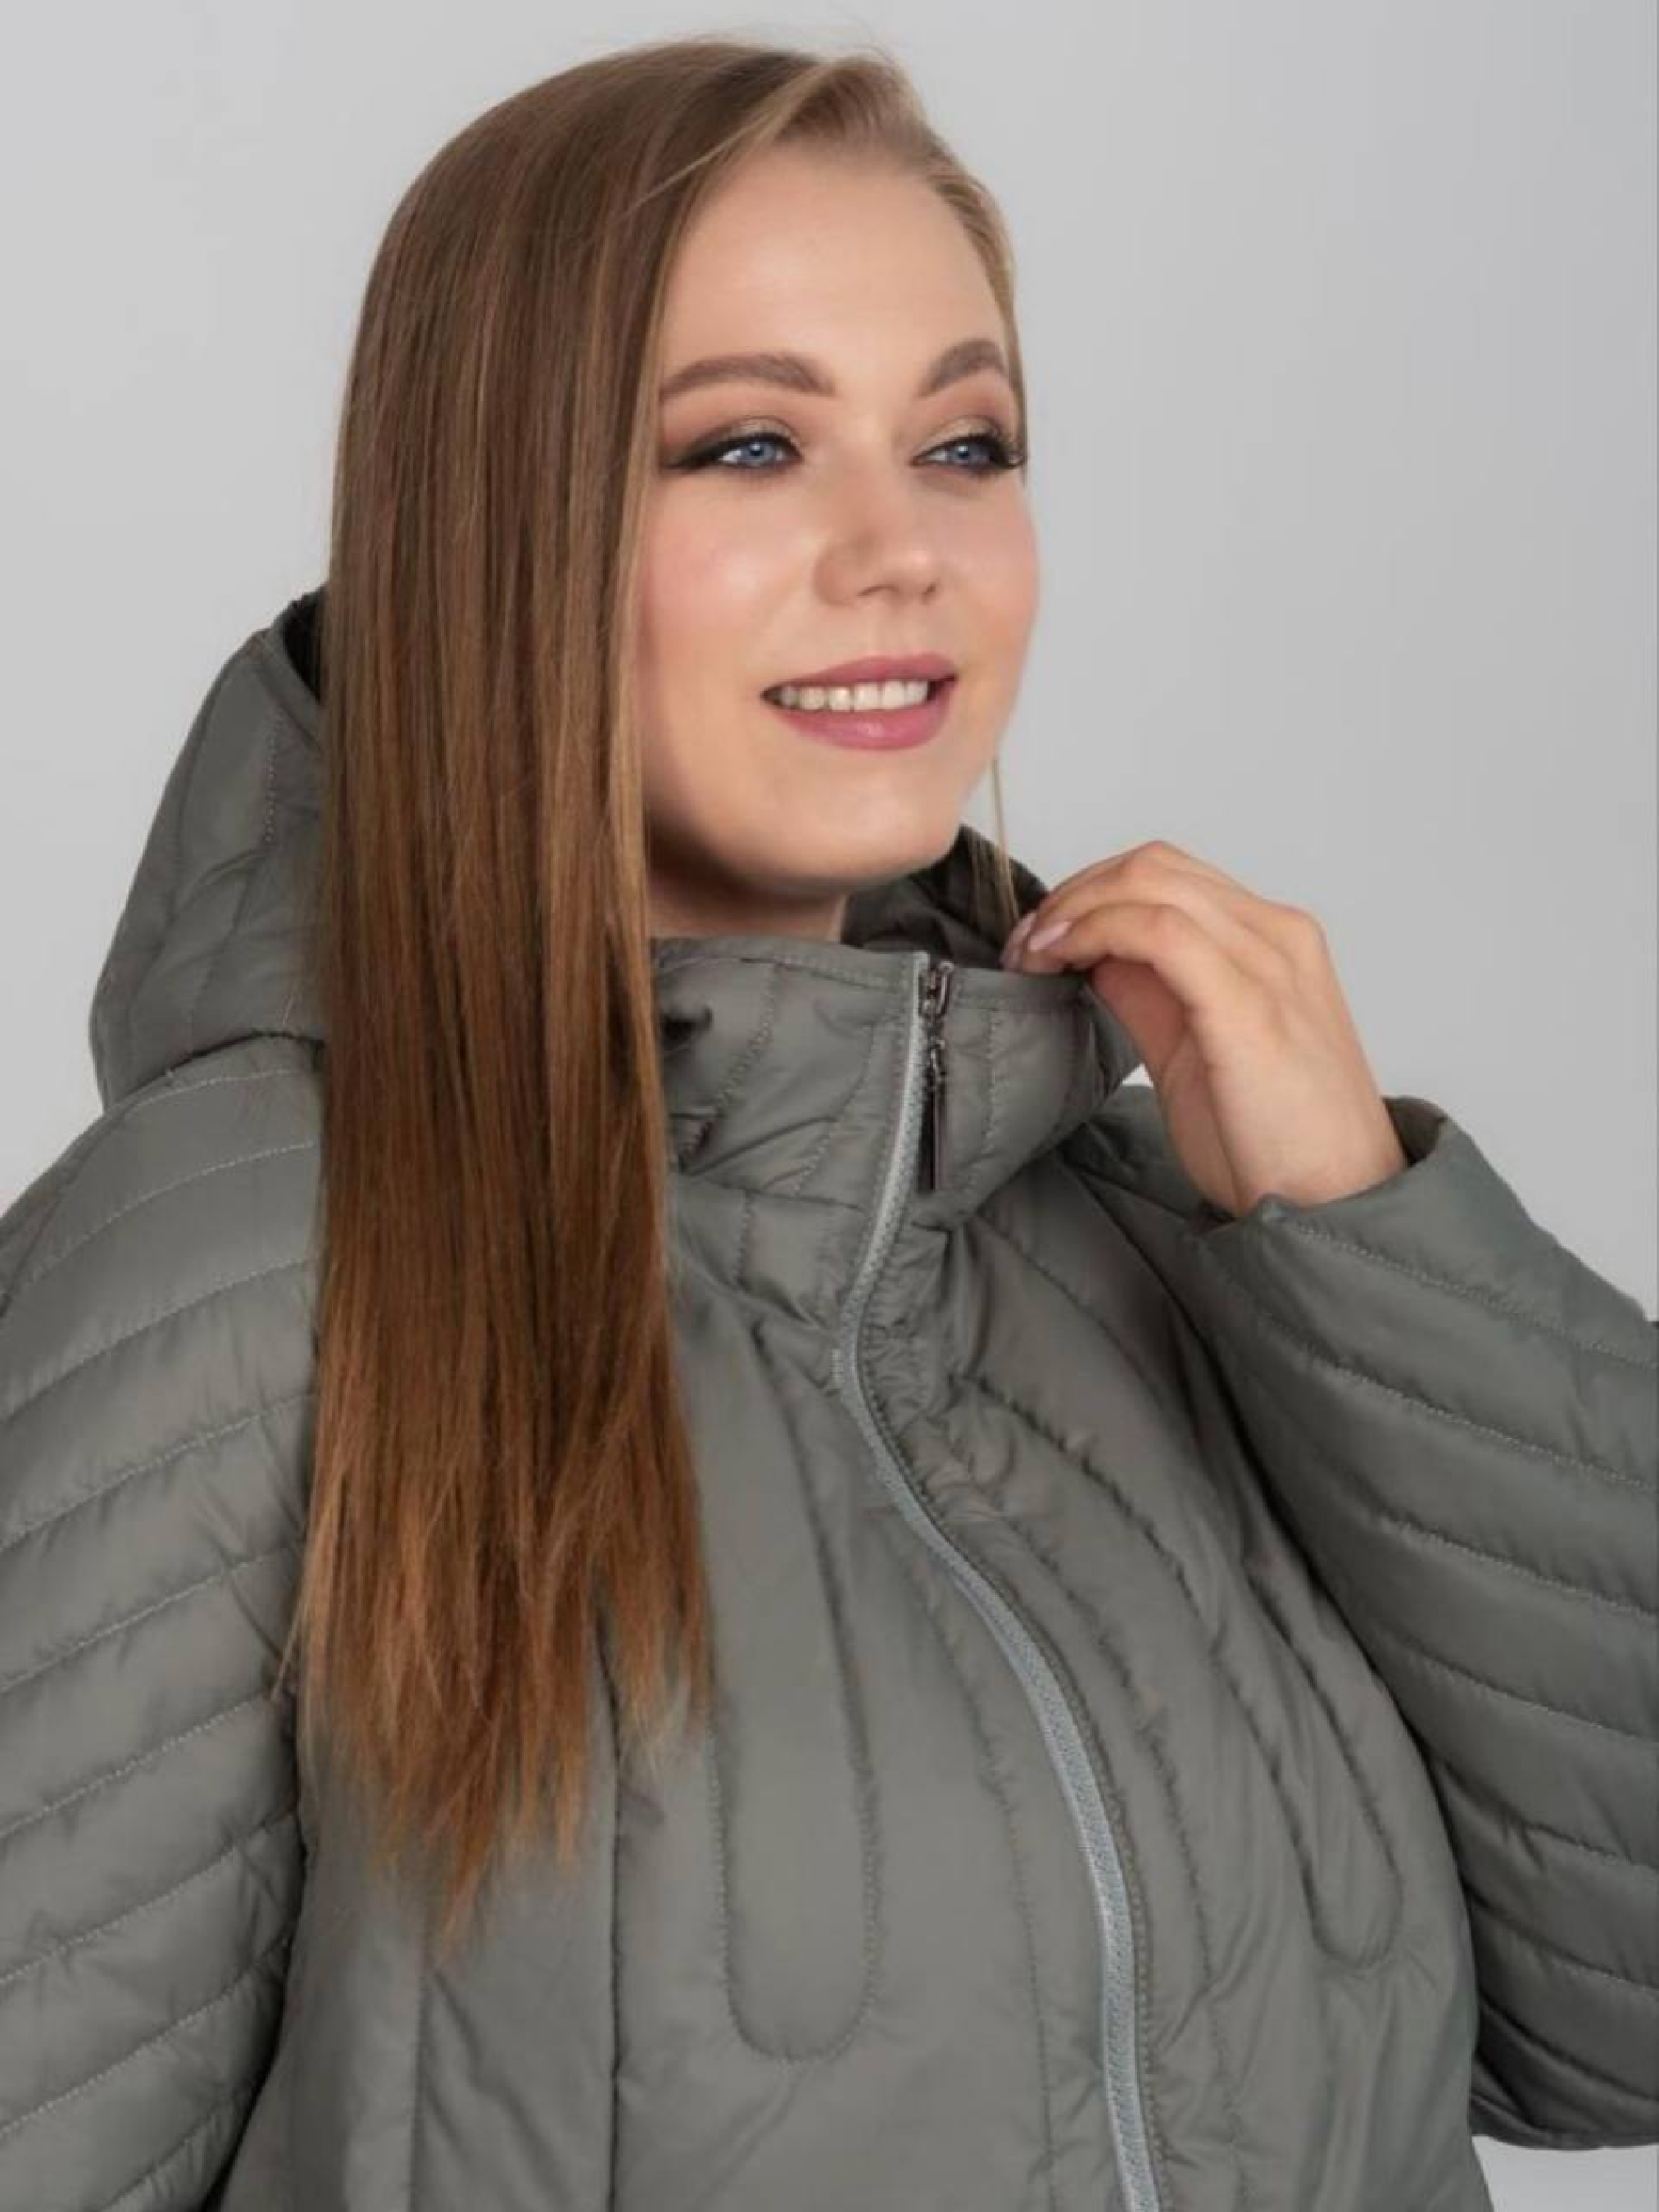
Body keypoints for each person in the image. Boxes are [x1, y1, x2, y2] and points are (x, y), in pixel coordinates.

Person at [0, 33, 1653, 2212]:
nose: (901, 553)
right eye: (751, 444)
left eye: (964, 444)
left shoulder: (1161, 1232)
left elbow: (1620, 2019)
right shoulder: (245, 1253)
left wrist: (1362, 1237)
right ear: (496, 533)